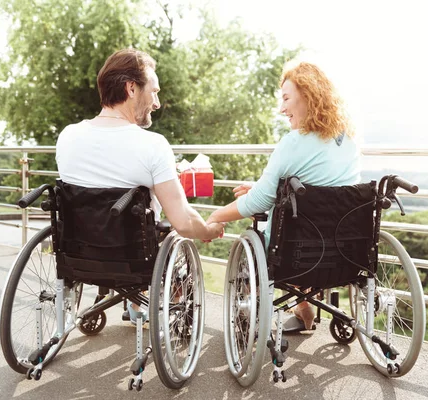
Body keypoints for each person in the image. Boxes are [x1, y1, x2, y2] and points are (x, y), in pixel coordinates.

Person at [56, 48, 225, 325]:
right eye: (154, 92)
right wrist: (208, 229)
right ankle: (148, 303)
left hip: (77, 255)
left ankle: (135, 304)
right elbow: (182, 221)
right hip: (133, 259)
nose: (156, 103)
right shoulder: (152, 145)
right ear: (131, 88)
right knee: (159, 225)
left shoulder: (68, 136)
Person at [206, 61, 362, 331]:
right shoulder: (348, 140)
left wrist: (216, 215)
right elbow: (319, 182)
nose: (282, 109)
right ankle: (304, 310)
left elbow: (258, 203)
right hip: (346, 251)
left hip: (299, 253)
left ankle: (285, 311)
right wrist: (259, 188)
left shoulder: (292, 143)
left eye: (286, 98)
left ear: (309, 96)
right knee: (304, 230)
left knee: (278, 235)